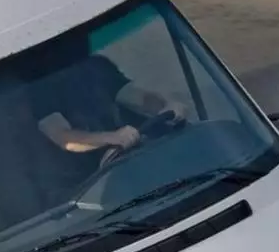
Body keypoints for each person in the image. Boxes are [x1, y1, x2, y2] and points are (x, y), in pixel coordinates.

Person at [30, 53, 183, 176]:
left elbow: (137, 97)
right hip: (88, 187)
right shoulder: (40, 90)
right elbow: (63, 138)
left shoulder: (96, 67)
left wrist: (167, 106)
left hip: (130, 162)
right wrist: (112, 137)